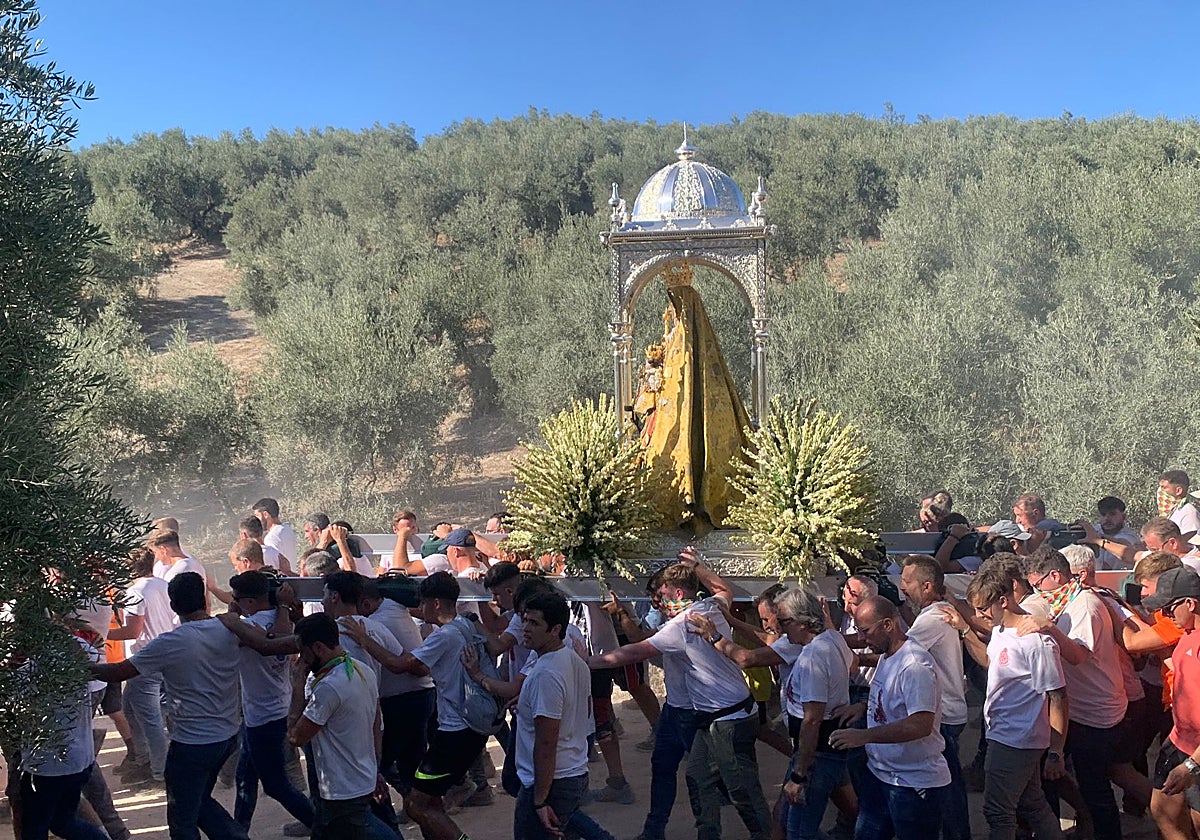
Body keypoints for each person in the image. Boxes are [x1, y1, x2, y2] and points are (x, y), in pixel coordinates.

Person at [587, 556, 772, 840]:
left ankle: (767, 834)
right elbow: (724, 590)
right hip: (709, 715)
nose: (658, 601)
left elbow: (633, 652)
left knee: (740, 789)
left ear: (678, 593)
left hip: (725, 719)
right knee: (697, 777)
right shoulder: (710, 606)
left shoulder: (684, 623)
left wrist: (584, 662)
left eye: (661, 594)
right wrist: (697, 566)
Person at [90, 572, 247, 840]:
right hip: (227, 735)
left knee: (182, 819)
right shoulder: (229, 629)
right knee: (198, 803)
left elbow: (116, 673)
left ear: (174, 606)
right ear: (204, 600)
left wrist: (79, 665)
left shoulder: (172, 642)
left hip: (192, 743)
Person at [942, 571, 1067, 840]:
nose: (980, 615)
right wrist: (964, 629)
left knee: (998, 812)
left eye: (983, 608)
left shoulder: (1036, 641)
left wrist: (1057, 751)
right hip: (1005, 735)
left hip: (1017, 740)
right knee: (1032, 803)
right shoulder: (1001, 631)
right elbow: (991, 661)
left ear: (1003, 601)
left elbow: (1057, 696)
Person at [1021, 545, 1127, 840]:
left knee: (1097, 789)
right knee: (1050, 773)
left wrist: (1049, 629)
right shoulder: (1066, 600)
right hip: (1077, 708)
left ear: (1055, 575)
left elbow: (1078, 655)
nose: (1037, 591)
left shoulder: (1085, 605)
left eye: (1038, 584)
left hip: (1095, 713)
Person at [829, 596, 950, 840]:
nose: (862, 639)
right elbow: (896, 702)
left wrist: (863, 736)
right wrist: (864, 707)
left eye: (865, 631)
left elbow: (920, 724)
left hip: (912, 783)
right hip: (881, 775)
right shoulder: (887, 657)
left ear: (887, 625)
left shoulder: (915, 665)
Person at [225, 571, 313, 832]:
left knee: (275, 785)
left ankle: (319, 825)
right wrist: (283, 607)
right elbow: (281, 636)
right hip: (273, 708)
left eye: (237, 598)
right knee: (245, 776)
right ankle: (238, 830)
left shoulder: (248, 627)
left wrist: (233, 614)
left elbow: (271, 642)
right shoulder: (280, 618)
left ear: (249, 601)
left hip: (263, 716)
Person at [511, 590, 598, 839]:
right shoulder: (574, 661)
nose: (525, 628)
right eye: (525, 620)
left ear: (554, 629)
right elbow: (583, 710)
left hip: (551, 783)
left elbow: (547, 742)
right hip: (571, 773)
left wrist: (539, 800)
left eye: (534, 623)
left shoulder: (545, 673)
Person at [288, 612, 382, 840]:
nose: (302, 659)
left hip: (341, 792)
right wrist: (375, 769)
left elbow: (295, 736)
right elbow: (376, 725)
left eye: (304, 651)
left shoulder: (328, 688)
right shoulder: (362, 670)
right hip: (363, 779)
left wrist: (298, 685)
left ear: (318, 648)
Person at [771, 588, 854, 840]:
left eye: (784, 622)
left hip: (816, 756)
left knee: (798, 832)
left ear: (804, 621)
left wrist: (799, 773)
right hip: (823, 752)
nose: (781, 629)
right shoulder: (833, 639)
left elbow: (812, 719)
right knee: (786, 823)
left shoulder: (813, 656)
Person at [897, 556, 970, 840]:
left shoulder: (934, 618)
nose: (902, 587)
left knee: (946, 790)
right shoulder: (935, 613)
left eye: (907, 581)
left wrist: (852, 657)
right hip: (948, 712)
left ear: (927, 586)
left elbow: (899, 652)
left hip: (945, 715)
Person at [18, 637, 109, 840]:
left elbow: (11, 693)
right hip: (79, 758)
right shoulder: (79, 646)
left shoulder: (31, 662)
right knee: (63, 822)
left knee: (35, 829)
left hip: (46, 764)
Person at [358, 578, 437, 800]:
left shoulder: (378, 621)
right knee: (410, 759)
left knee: (391, 760)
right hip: (416, 696)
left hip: (406, 699)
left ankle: (420, 805)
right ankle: (420, 803)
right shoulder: (394, 609)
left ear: (365, 604)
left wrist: (363, 639)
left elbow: (410, 665)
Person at [105, 546, 173, 786]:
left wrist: (102, 634)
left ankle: (160, 771)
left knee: (150, 717)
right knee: (130, 708)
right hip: (163, 652)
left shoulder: (136, 591)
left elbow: (133, 630)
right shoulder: (163, 585)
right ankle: (145, 759)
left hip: (144, 658)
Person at [1142, 566, 1200, 840]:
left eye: (1168, 609)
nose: (1165, 617)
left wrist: (1192, 766)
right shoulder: (1187, 633)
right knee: (1162, 810)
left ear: (1190, 603)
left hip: (1197, 753)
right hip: (1178, 741)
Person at [253, 498, 298, 567]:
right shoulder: (287, 529)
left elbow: (273, 563)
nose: (256, 520)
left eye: (257, 516)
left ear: (265, 514)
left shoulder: (272, 537)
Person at [1160, 471, 1200, 536]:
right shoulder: (1175, 510)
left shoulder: (1188, 513)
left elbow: (1191, 542)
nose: (1160, 491)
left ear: (1178, 491)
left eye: (1164, 487)